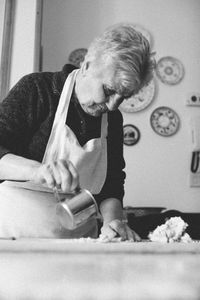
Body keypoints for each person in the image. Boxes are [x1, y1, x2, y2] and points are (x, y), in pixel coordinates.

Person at [0, 23, 155, 240]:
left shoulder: (113, 118)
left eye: (124, 97)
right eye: (109, 90)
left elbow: (111, 184)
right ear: (87, 66)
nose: (112, 106)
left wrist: (113, 224)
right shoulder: (38, 89)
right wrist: (37, 171)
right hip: (14, 235)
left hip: (78, 242)